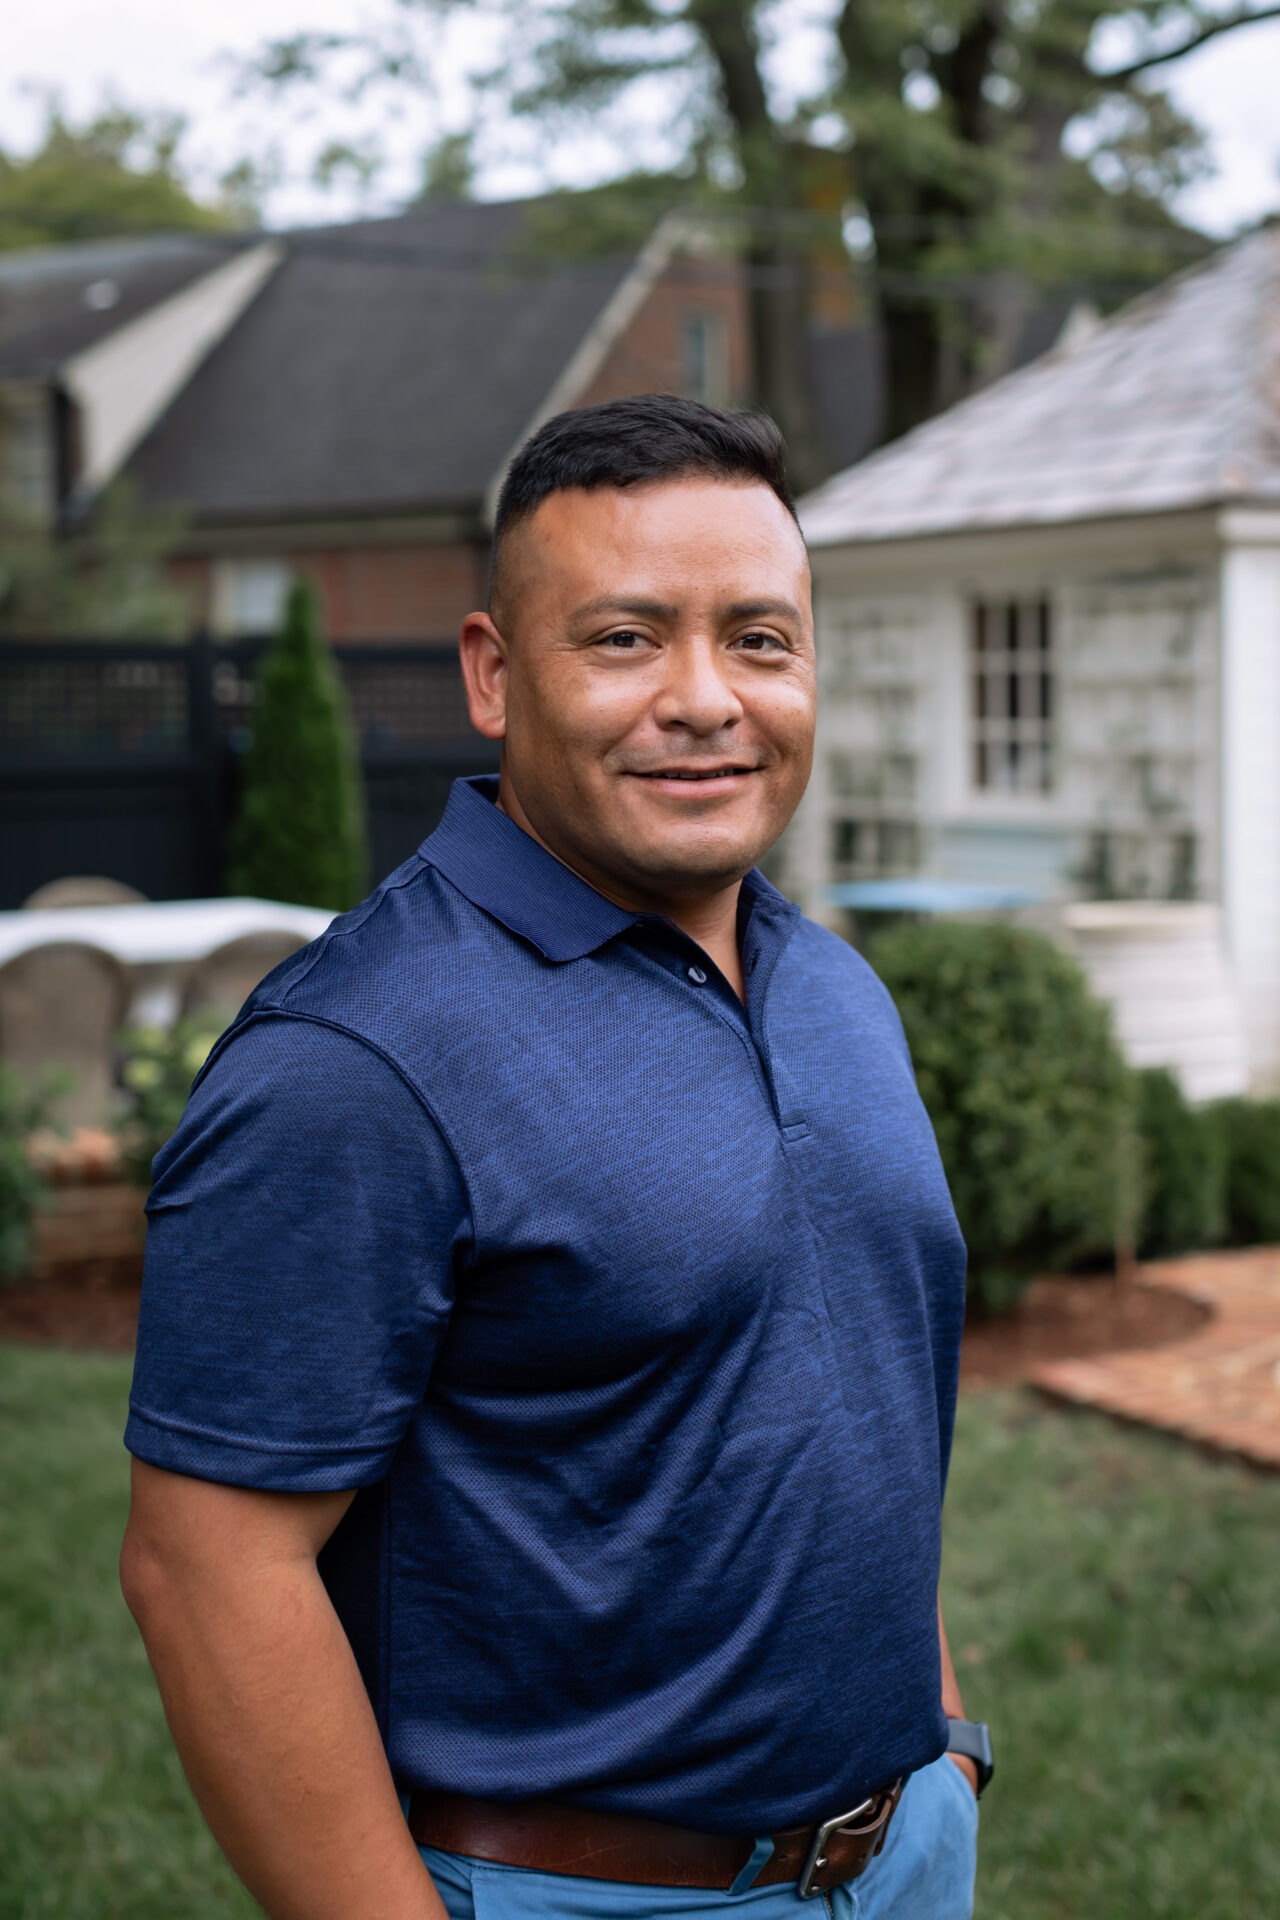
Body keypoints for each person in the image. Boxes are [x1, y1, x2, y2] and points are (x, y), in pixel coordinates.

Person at [120, 394, 989, 1920]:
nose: (707, 698)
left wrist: (942, 1751)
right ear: (493, 673)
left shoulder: (835, 986)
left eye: (761, 639)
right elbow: (207, 1577)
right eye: (627, 638)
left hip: (903, 1857)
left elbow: (852, 1389)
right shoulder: (355, 1061)